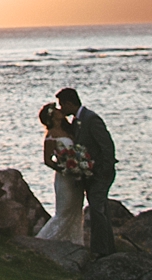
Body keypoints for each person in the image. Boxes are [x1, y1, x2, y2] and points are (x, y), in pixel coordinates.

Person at [57, 87, 118, 258]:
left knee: (97, 210)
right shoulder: (77, 121)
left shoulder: (91, 119)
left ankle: (100, 251)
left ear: (70, 103)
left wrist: (105, 170)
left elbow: (107, 145)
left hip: (100, 173)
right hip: (91, 174)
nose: (61, 109)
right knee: (101, 209)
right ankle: (108, 249)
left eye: (62, 105)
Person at [37, 103, 86, 244]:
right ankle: (44, 241)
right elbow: (48, 160)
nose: (60, 110)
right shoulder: (51, 136)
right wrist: (64, 169)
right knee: (63, 211)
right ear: (52, 116)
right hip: (65, 178)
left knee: (76, 211)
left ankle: (73, 242)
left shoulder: (68, 130)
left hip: (76, 177)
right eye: (57, 110)